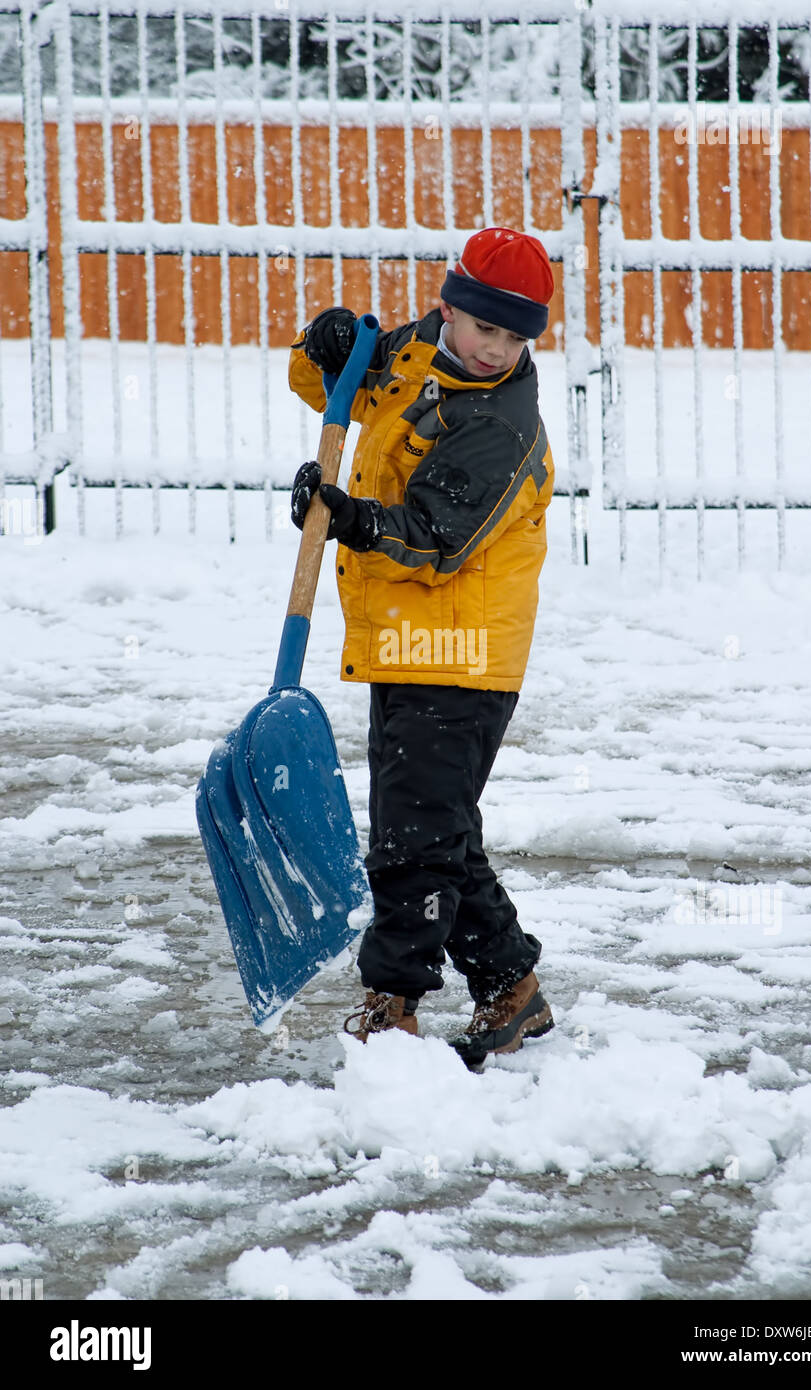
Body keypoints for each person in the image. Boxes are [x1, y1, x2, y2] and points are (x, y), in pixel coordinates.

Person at [288, 226, 555, 1070]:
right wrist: (326, 344)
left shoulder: (502, 424)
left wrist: (353, 518)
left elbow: (438, 539)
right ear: (452, 307)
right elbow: (329, 388)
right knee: (437, 831)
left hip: (463, 650)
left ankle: (392, 1002)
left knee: (412, 841)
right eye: (486, 329)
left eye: (515, 338)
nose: (496, 350)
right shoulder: (411, 352)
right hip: (407, 640)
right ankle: (511, 986)